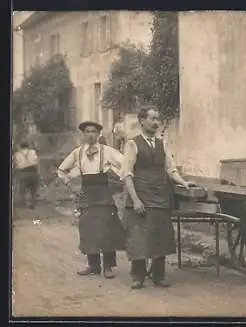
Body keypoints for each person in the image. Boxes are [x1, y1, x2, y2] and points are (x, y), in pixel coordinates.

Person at [120, 105, 196, 289]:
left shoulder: (163, 144)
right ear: (142, 121)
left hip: (160, 196)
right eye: (152, 119)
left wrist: (183, 183)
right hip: (141, 196)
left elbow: (170, 169)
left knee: (160, 236)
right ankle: (138, 276)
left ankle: (158, 275)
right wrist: (136, 200)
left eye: (158, 119)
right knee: (139, 238)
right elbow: (126, 174)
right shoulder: (132, 144)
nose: (156, 123)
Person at [57, 121, 125, 279]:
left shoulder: (107, 151)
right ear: (83, 134)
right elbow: (61, 170)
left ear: (99, 134)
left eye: (94, 131)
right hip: (86, 193)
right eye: (87, 131)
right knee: (88, 230)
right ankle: (93, 265)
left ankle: (108, 266)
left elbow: (125, 163)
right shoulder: (77, 153)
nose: (90, 134)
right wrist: (70, 184)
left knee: (107, 229)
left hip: (103, 192)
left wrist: (123, 179)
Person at [13, 140, 40, 209]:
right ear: (28, 146)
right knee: (33, 190)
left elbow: (15, 164)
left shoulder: (17, 154)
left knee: (22, 190)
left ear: (20, 147)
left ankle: (24, 204)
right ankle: (33, 204)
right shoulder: (33, 152)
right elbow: (37, 161)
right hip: (34, 171)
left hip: (23, 172)